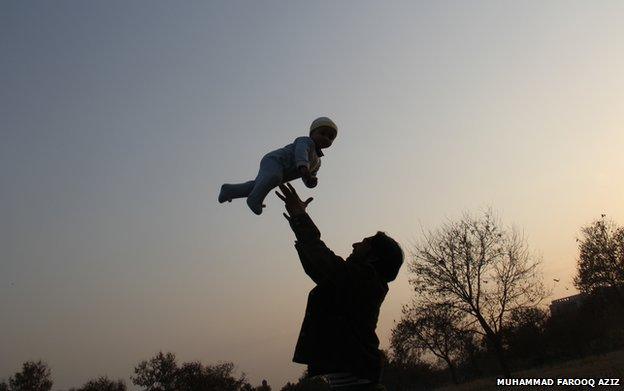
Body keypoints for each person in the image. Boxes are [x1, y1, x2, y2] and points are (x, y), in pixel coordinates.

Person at [275, 183, 403, 391]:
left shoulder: (365, 282)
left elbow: (325, 265)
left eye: (363, 243)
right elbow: (319, 270)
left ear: (373, 257)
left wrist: (300, 219)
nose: (354, 245)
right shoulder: (359, 282)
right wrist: (299, 224)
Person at [218, 117, 337, 215]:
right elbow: (301, 153)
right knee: (274, 178)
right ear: (312, 133)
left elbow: (310, 175)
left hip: (281, 172)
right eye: (322, 133)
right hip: (275, 161)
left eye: (330, 137)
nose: (326, 138)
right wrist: (304, 169)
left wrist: (310, 181)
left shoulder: (318, 162)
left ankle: (229, 190)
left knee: (258, 185)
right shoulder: (305, 141)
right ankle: (254, 199)